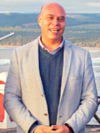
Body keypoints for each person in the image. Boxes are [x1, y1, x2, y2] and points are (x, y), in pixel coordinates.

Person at [4, 3, 98, 133]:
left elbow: (90, 99)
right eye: (50, 17)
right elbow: (10, 97)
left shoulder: (81, 56)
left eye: (61, 19)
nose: (56, 23)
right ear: (40, 20)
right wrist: (33, 127)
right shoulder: (20, 55)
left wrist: (70, 127)